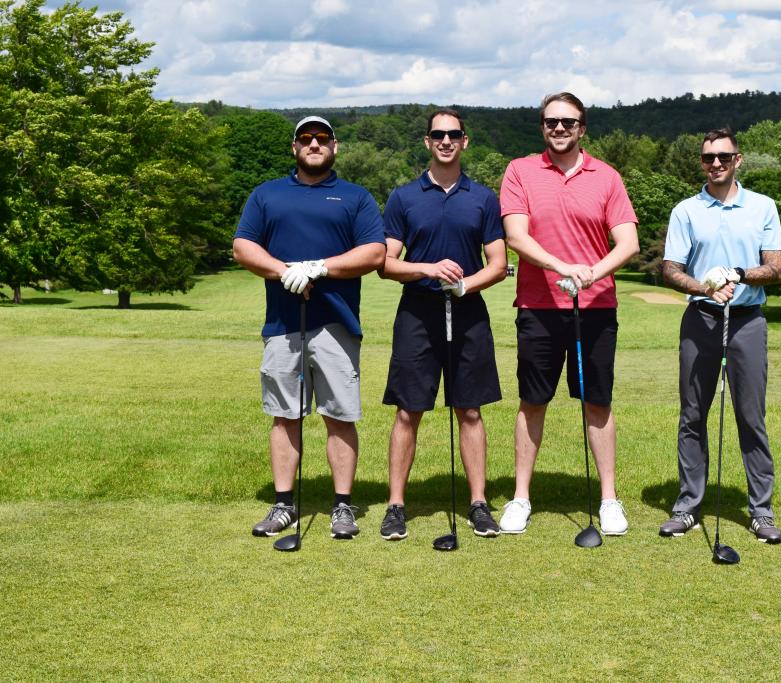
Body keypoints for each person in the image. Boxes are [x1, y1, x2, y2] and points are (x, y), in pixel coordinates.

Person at [233, 115, 386, 541]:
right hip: (283, 324)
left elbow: (374, 252)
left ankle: (342, 507)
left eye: (322, 138)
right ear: (294, 147)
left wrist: (320, 268)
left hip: (336, 322)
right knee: (285, 416)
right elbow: (243, 246)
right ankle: (284, 504)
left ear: (335, 147)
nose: (314, 143)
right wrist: (284, 271)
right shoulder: (267, 194)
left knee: (339, 416)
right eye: (306, 138)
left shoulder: (354, 198)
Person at [498, 92, 639, 536]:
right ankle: (521, 497)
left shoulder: (607, 177)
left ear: (582, 128)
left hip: (594, 307)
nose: (559, 129)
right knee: (532, 400)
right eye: (551, 122)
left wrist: (590, 274)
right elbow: (516, 237)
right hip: (539, 307)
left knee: (598, 400)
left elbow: (628, 243)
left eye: (568, 122)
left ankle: (609, 500)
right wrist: (564, 268)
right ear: (543, 127)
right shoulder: (520, 171)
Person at [377, 108, 507, 541]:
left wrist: (466, 285)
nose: (446, 140)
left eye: (454, 134)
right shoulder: (404, 197)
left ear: (465, 141)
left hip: (468, 312)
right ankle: (396, 505)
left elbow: (500, 263)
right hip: (417, 313)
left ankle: (478, 504)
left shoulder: (484, 198)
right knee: (407, 410)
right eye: (438, 134)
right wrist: (429, 269)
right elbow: (386, 263)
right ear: (428, 142)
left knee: (469, 409)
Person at [660, 127, 781, 544]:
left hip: (747, 320)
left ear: (738, 160)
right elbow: (671, 269)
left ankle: (761, 511)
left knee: (751, 417)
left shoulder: (763, 207)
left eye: (724, 157)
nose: (715, 164)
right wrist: (705, 286)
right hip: (701, 320)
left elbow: (776, 267)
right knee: (693, 415)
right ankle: (688, 506)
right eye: (708, 157)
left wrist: (738, 274)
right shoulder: (687, 210)